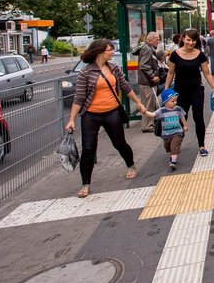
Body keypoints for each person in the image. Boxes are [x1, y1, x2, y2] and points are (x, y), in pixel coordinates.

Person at [64, 39, 154, 198]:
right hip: (91, 114)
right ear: (99, 52)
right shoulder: (86, 72)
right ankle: (85, 183)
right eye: (109, 50)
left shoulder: (113, 68)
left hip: (111, 112)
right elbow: (78, 98)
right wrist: (71, 119)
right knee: (88, 149)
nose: (112, 52)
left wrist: (138, 103)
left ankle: (131, 165)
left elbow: (125, 86)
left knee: (119, 143)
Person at [165, 28, 214, 156]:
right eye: (188, 39)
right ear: (183, 39)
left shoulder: (200, 55)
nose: (191, 42)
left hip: (196, 90)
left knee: (198, 117)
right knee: (181, 118)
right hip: (180, 92)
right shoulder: (175, 55)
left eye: (194, 40)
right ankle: (175, 146)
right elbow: (170, 73)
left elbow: (207, 74)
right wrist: (166, 90)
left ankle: (202, 146)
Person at [155, 88, 188, 171]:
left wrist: (185, 125)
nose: (175, 103)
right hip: (166, 134)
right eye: (172, 101)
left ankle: (173, 161)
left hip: (177, 132)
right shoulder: (161, 111)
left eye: (175, 101)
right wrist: (145, 112)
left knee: (174, 146)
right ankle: (172, 157)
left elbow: (182, 117)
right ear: (165, 102)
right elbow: (153, 114)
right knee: (168, 147)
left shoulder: (178, 109)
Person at [136, 32, 161, 132]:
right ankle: (147, 126)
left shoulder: (146, 48)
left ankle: (148, 124)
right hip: (147, 82)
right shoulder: (147, 49)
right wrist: (152, 76)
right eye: (156, 40)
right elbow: (144, 65)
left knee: (148, 103)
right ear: (150, 40)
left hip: (145, 81)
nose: (158, 42)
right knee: (148, 104)